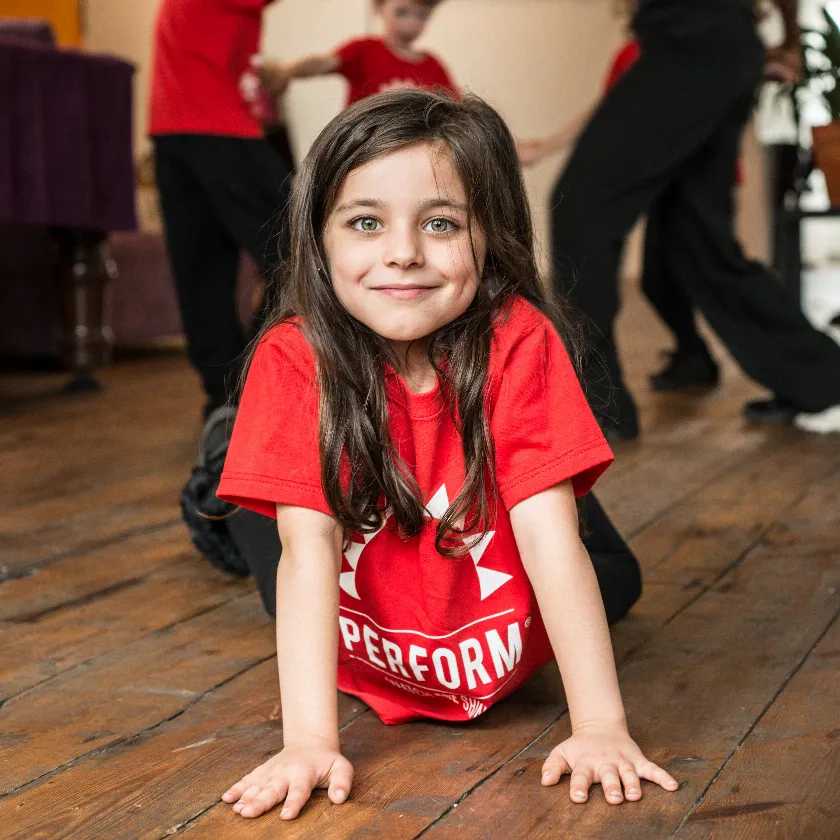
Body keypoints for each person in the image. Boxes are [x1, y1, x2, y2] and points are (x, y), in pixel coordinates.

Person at [215, 90, 678, 820]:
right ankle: (227, 448)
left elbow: (552, 544)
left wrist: (600, 728)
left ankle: (533, 476)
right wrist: (309, 740)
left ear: (490, 236)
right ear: (321, 239)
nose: (403, 252)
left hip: (467, 522)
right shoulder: (294, 359)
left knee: (610, 574)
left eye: (440, 224)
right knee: (274, 558)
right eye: (366, 222)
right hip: (354, 528)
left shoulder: (518, 338)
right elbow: (308, 555)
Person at [547, 0, 840, 440]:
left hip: (693, 41)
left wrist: (784, 38)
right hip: (714, 42)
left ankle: (597, 406)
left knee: (580, 207)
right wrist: (782, 39)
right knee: (700, 240)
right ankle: (822, 379)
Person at [519, 5, 721, 392]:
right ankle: (692, 355)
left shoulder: (690, 51)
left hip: (681, 181)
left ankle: (694, 355)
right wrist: (546, 147)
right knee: (656, 277)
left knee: (676, 274)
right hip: (654, 180)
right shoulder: (634, 56)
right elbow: (604, 114)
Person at [149, 0, 292, 417]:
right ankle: (262, 372)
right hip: (218, 127)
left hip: (173, 128)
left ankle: (227, 395)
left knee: (202, 269)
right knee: (304, 251)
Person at [255, 0, 457, 107]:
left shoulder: (433, 65)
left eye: (421, 16)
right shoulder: (364, 50)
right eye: (402, 12)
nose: (411, 23)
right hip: (363, 149)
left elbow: (454, 106)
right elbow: (324, 63)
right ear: (378, 7)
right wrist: (287, 71)